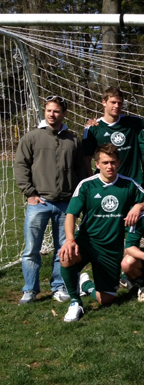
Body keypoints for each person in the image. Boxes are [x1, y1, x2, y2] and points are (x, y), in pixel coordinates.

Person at [58, 144, 144, 322]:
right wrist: (70, 240)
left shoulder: (128, 184)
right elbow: (71, 214)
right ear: (97, 164)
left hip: (111, 248)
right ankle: (76, 303)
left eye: (113, 162)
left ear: (119, 163)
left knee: (107, 300)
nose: (110, 166)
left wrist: (138, 205)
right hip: (87, 242)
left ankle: (85, 283)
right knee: (66, 256)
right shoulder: (87, 185)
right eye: (105, 162)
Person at [14, 96, 86, 305]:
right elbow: (21, 166)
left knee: (62, 249)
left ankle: (59, 286)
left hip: (66, 204)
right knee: (31, 250)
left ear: (64, 113)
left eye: (56, 111)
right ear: (44, 112)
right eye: (48, 110)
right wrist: (30, 193)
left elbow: (80, 170)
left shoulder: (73, 140)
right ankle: (30, 290)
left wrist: (77, 197)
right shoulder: (32, 137)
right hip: (39, 203)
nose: (52, 114)